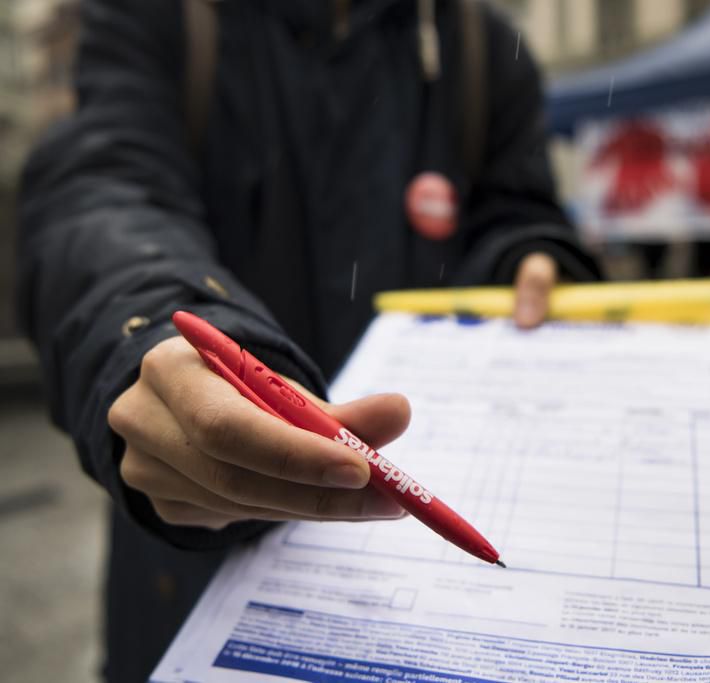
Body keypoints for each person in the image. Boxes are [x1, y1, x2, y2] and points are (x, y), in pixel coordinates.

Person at [15, 1, 600, 680]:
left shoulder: (482, 43)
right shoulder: (159, 18)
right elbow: (102, 197)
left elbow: (515, 205)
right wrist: (146, 323)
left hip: (426, 617)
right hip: (189, 600)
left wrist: (530, 253)